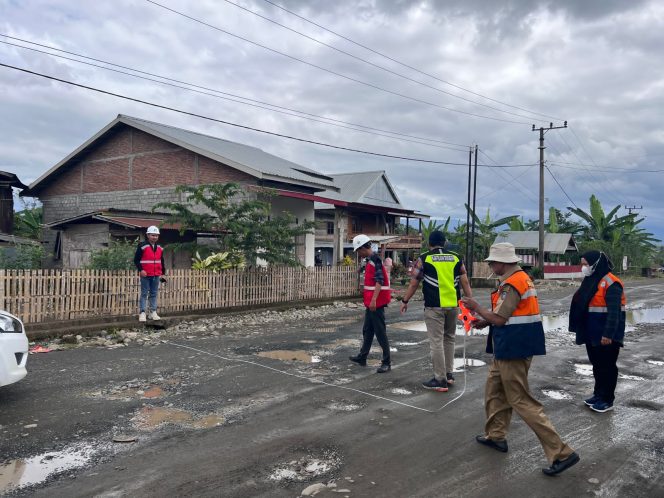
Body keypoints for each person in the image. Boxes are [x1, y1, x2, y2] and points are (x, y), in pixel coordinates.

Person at [461, 242, 580, 477]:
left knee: (520, 399)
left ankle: (561, 453)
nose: (490, 266)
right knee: (494, 390)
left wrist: (477, 308)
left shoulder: (514, 282)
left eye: (492, 262)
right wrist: (484, 320)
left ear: (503, 262)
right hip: (509, 346)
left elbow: (501, 318)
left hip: (514, 348)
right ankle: (496, 436)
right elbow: (506, 315)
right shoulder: (517, 279)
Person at [400, 231, 472, 392]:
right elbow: (465, 282)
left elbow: (413, 284)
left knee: (436, 342)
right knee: (449, 339)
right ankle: (449, 374)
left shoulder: (424, 258)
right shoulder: (456, 257)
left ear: (429, 243)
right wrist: (470, 301)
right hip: (453, 305)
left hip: (434, 307)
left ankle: (440, 379)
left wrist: (405, 301)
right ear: (445, 243)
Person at [568, 251, 626, 413]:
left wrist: (608, 334)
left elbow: (614, 312)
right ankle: (598, 394)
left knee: (607, 366)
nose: (583, 267)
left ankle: (607, 399)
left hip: (606, 334)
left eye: (586, 264)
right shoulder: (591, 280)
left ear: (595, 263)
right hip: (592, 332)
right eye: (582, 264)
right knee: (597, 365)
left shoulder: (611, 282)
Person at [349, 234, 392, 373]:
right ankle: (362, 356)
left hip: (376, 302)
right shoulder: (369, 260)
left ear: (363, 248)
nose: (358, 254)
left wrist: (373, 300)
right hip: (371, 302)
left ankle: (387, 362)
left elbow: (379, 281)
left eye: (358, 251)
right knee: (368, 330)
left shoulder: (375, 260)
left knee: (380, 332)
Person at [134, 225, 166, 322]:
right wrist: (141, 270)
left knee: (154, 294)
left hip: (156, 274)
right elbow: (136, 260)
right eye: (153, 235)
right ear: (148, 235)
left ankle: (153, 312)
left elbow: (162, 261)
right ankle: (142, 313)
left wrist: (163, 273)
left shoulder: (160, 247)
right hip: (146, 274)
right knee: (144, 293)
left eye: (156, 235)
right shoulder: (142, 246)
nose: (154, 237)